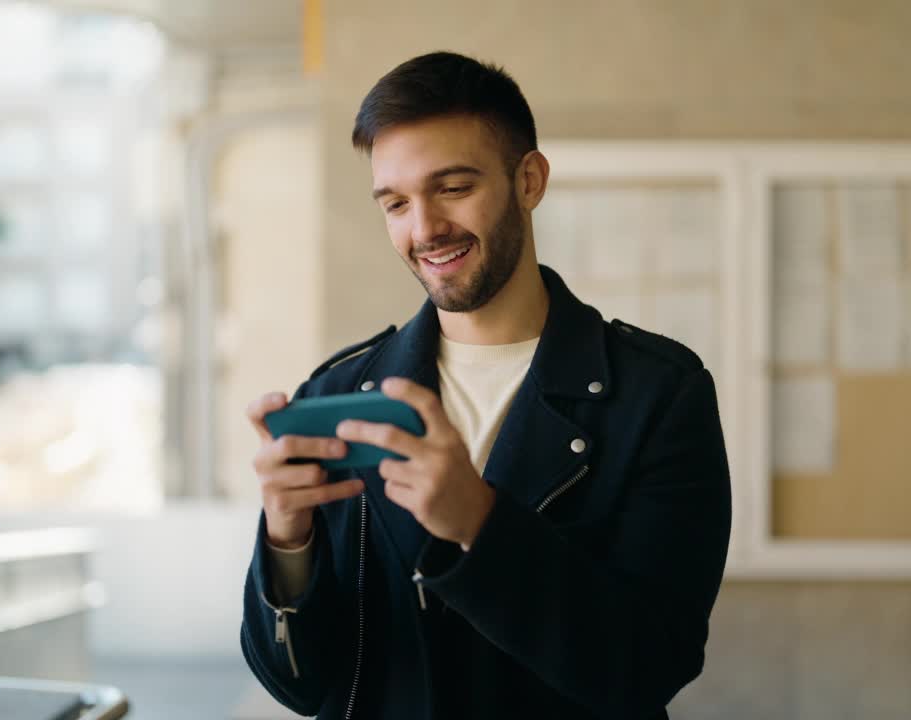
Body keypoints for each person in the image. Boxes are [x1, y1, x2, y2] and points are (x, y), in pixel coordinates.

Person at [241, 50, 731, 720]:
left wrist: (479, 522)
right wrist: (286, 541)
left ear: (529, 179)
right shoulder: (338, 389)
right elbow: (302, 686)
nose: (424, 229)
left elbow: (647, 668)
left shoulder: (657, 395)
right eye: (396, 202)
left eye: (452, 188)